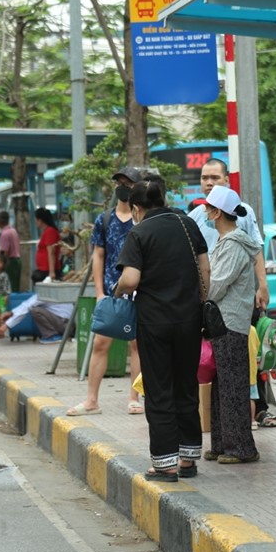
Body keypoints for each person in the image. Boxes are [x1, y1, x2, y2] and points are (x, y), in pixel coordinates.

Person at [114, 179, 209, 482]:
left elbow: (130, 279)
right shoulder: (187, 224)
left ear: (137, 208)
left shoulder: (139, 233)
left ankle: (165, 464)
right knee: (186, 386)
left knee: (159, 391)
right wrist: (201, 300)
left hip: (155, 322)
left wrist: (116, 290)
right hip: (189, 319)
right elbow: (205, 269)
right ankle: (187, 460)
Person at [67, 167, 143, 417]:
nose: (123, 187)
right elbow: (98, 255)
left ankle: (134, 397)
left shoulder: (143, 218)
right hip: (111, 292)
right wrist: (99, 291)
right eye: (119, 182)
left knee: (137, 345)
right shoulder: (104, 219)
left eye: (128, 183)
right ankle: (91, 400)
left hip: (139, 291)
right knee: (101, 342)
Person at [202, 185, 261, 464]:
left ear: (217, 213)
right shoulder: (225, 241)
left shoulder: (234, 244)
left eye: (208, 208)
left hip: (230, 324)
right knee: (220, 386)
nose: (204, 212)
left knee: (233, 387)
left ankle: (240, 449)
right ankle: (222, 445)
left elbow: (216, 286)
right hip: (220, 324)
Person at [188, 158, 269, 310]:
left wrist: (263, 285)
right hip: (207, 296)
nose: (209, 183)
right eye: (205, 178)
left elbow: (255, 249)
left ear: (226, 180)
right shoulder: (193, 217)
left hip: (237, 296)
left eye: (215, 178)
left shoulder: (244, 212)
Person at [0, 293, 72, 344]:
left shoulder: (46, 293)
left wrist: (6, 325)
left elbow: (29, 306)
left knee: (36, 310)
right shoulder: (53, 291)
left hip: (64, 324)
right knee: (35, 308)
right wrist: (11, 313)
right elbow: (27, 304)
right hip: (68, 325)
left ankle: (51, 336)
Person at [0, 210, 21, 292]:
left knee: (8, 288)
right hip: (17, 261)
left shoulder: (5, 234)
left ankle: (9, 304)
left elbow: (4, 253)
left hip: (10, 263)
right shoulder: (13, 231)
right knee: (15, 286)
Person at [32, 207, 62, 286]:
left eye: (36, 219)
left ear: (40, 220)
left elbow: (51, 252)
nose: (35, 222)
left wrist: (51, 272)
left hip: (47, 269)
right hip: (43, 268)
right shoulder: (46, 232)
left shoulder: (50, 231)